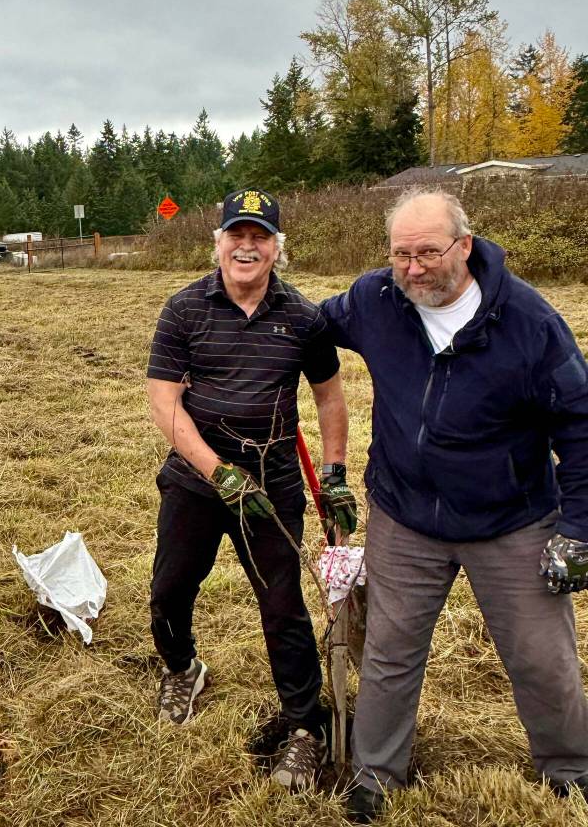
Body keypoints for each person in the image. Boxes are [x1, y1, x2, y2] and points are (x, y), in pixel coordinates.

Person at [320, 190, 588, 823]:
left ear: (464, 247)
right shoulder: (375, 301)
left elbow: (580, 426)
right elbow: (310, 327)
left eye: (428, 253)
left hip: (511, 520)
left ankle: (570, 769)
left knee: (541, 656)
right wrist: (243, 303)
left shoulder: (527, 322)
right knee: (389, 649)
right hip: (404, 513)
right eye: (401, 255)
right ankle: (375, 773)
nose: (413, 269)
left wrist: (578, 529)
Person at [146, 188, 354, 790]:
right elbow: (165, 401)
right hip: (196, 479)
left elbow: (329, 397)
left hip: (274, 483)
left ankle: (303, 727)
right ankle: (184, 666)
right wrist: (218, 472)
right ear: (217, 243)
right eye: (236, 234)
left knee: (283, 605)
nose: (247, 246)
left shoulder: (302, 317)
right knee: (170, 588)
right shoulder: (184, 309)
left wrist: (335, 475)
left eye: (260, 236)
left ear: (276, 249)